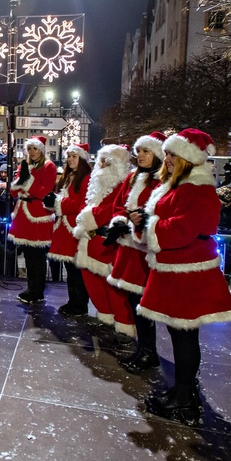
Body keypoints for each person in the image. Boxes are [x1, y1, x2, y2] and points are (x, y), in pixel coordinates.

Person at [133, 128, 231, 425]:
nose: (165, 159)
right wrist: (147, 221)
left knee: (184, 337)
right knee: (180, 336)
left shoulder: (198, 188)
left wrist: (151, 225)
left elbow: (184, 228)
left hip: (187, 272)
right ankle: (182, 393)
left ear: (185, 158)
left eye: (170, 154)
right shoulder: (180, 185)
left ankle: (185, 400)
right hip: (174, 268)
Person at [104, 132, 165, 372]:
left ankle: (149, 351)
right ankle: (144, 348)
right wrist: (121, 219)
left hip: (145, 250)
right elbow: (118, 205)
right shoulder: (132, 178)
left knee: (144, 302)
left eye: (146, 151)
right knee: (133, 298)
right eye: (138, 151)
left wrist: (140, 219)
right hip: (129, 246)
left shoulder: (160, 181)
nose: (140, 156)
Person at [73, 144, 133, 339]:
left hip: (108, 242)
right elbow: (89, 206)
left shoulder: (122, 185)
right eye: (101, 160)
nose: (103, 164)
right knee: (93, 283)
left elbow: (110, 210)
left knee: (114, 287)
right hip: (90, 240)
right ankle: (105, 317)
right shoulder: (96, 185)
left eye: (108, 161)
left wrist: (85, 219)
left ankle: (124, 326)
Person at [9, 136, 57, 304]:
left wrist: (27, 181)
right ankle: (31, 287)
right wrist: (19, 180)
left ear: (41, 149)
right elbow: (13, 192)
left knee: (37, 255)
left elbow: (45, 191)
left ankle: (38, 290)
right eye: (29, 149)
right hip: (24, 214)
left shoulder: (49, 166)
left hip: (38, 215)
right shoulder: (27, 166)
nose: (32, 152)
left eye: (35, 148)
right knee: (29, 254)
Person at [46, 143, 92, 316]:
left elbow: (82, 204)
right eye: (69, 156)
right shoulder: (69, 176)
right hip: (65, 228)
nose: (70, 159)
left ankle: (79, 305)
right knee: (70, 269)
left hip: (75, 228)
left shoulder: (86, 178)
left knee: (76, 270)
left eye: (74, 156)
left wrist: (58, 203)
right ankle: (73, 301)